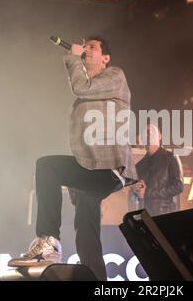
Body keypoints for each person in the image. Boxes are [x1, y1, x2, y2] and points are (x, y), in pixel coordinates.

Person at [8, 35, 137, 281]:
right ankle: (98, 282)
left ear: (106, 58)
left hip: (108, 167)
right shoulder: (92, 91)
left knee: (47, 167)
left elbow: (81, 87)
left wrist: (74, 58)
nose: (86, 49)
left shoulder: (115, 75)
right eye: (85, 46)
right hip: (94, 168)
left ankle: (48, 242)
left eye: (92, 47)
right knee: (86, 232)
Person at [131, 124, 184, 216]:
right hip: (144, 215)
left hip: (164, 214)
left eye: (150, 132)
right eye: (145, 134)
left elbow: (179, 187)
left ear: (159, 136)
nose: (147, 136)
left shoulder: (171, 158)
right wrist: (134, 188)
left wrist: (147, 192)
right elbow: (136, 191)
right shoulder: (140, 164)